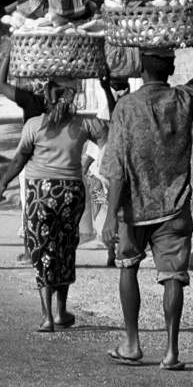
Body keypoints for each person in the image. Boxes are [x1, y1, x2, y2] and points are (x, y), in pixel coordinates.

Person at [101, 42, 193, 370]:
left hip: (133, 208)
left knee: (128, 268)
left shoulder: (126, 106)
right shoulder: (183, 99)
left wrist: (110, 216)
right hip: (174, 206)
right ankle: (171, 352)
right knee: (173, 277)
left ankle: (133, 344)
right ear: (170, 68)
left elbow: (117, 167)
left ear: (140, 67)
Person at [0, 81, 108, 332]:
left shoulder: (34, 126)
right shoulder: (82, 124)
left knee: (42, 250)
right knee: (65, 248)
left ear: (45, 100)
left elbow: (18, 160)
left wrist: (3, 183)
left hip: (40, 195)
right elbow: (106, 134)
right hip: (70, 194)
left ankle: (46, 316)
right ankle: (61, 312)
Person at [0, 53, 47, 264]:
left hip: (34, 164)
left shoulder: (30, 100)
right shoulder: (67, 103)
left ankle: (29, 252)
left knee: (30, 206)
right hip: (62, 164)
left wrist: (9, 53)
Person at [83, 65, 130, 267]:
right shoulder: (132, 107)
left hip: (106, 169)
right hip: (119, 168)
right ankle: (117, 249)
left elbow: (96, 144)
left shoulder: (111, 111)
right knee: (118, 210)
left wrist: (85, 166)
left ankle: (113, 249)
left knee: (107, 210)